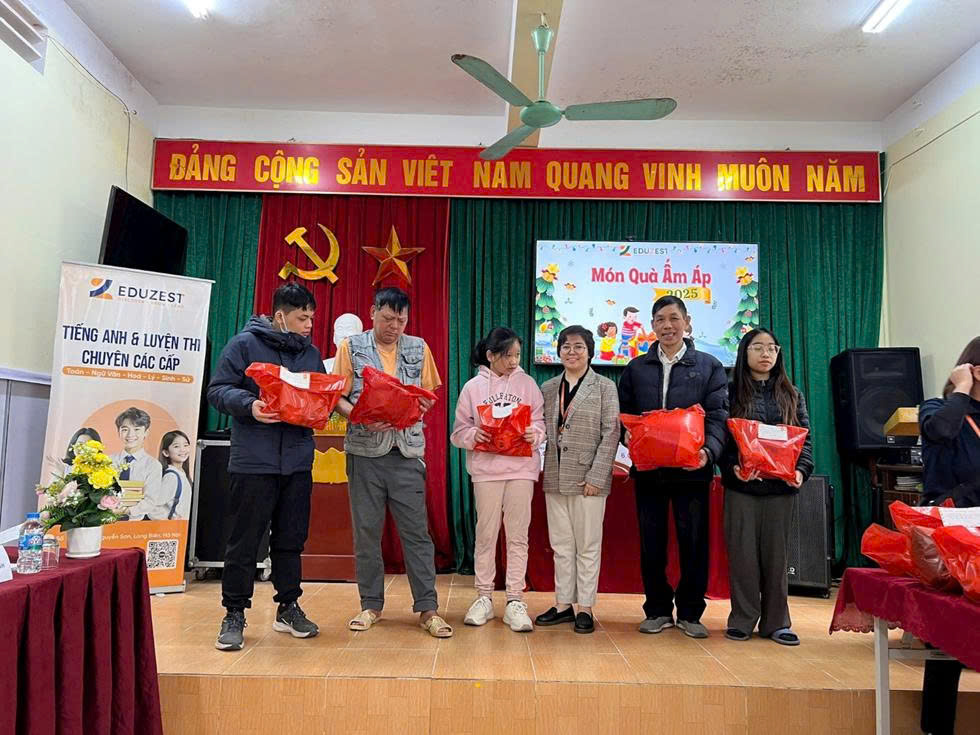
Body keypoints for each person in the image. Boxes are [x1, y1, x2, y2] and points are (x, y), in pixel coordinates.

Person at [207, 283, 326, 651]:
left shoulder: (311, 354)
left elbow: (319, 396)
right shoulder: (244, 345)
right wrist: (250, 405)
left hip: (297, 462)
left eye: (311, 318)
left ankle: (288, 607)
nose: (309, 325)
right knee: (244, 540)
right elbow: (218, 390)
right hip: (253, 461)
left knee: (291, 539)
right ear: (280, 316)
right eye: (302, 318)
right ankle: (234, 613)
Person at [331, 287, 452, 638]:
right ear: (372, 313)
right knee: (367, 533)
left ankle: (428, 609)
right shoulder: (351, 347)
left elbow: (429, 392)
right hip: (365, 453)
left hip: (407, 452)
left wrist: (423, 404)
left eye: (401, 320)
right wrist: (359, 416)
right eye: (387, 318)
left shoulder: (419, 347)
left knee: (417, 534)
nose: (394, 326)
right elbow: (337, 397)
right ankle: (370, 605)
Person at [617, 295, 728, 638]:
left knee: (693, 542)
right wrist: (626, 438)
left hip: (692, 470)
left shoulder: (709, 366)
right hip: (649, 471)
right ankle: (657, 610)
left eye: (674, 318)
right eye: (660, 320)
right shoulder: (636, 368)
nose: (667, 326)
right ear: (652, 326)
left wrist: (708, 452)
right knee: (651, 542)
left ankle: (691, 613)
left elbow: (718, 416)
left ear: (687, 322)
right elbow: (624, 414)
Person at [718, 328, 813, 646]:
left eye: (772, 348)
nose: (765, 354)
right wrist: (733, 469)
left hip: (780, 489)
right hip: (742, 488)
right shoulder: (730, 392)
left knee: (776, 559)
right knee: (742, 556)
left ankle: (777, 623)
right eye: (758, 347)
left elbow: (805, 439)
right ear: (744, 352)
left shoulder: (792, 394)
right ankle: (742, 620)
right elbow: (723, 439)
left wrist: (801, 471)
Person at [450, 327, 545, 632]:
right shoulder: (472, 388)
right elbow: (457, 432)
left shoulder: (528, 385)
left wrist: (534, 434)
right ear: (490, 356)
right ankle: (484, 597)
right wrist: (472, 435)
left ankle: (515, 600)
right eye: (508, 356)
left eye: (517, 355)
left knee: (518, 535)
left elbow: (540, 424)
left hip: (521, 470)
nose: (514, 361)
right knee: (486, 534)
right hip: (486, 471)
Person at [536, 325, 620, 634]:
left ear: (590, 351)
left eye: (578, 347)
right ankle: (563, 605)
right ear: (558, 351)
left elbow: (611, 433)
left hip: (589, 479)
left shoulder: (604, 387)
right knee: (561, 545)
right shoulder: (547, 387)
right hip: (555, 475)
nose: (572, 352)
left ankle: (585, 607)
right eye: (566, 346)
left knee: (587, 546)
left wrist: (597, 476)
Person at [916, 336, 980, 735]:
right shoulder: (937, 408)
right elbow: (940, 431)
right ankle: (935, 728)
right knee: (947, 636)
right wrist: (962, 389)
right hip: (951, 531)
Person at [111, 408, 163, 521]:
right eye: (125, 429)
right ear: (118, 432)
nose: (131, 434)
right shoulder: (108, 461)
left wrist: (125, 511)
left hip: (135, 524)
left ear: (146, 432)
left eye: (137, 429)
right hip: (106, 521)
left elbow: (150, 501)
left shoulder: (153, 465)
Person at [158, 430, 193, 521]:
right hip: (175, 528)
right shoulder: (171, 477)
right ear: (166, 453)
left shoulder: (182, 473)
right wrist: (167, 520)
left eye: (185, 445)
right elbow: (153, 506)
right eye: (176, 446)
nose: (183, 449)